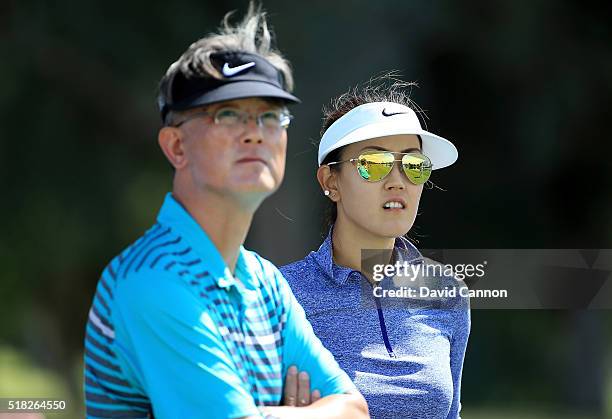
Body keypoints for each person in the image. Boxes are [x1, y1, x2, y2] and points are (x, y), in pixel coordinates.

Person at [83, 5, 369, 419]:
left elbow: (357, 410)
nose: (255, 132)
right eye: (228, 114)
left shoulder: (267, 283)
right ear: (176, 147)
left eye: (271, 115)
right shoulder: (152, 280)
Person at [280, 78, 470, 419]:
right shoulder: (281, 294)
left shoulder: (448, 292)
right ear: (330, 182)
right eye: (374, 163)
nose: (397, 180)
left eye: (414, 165)